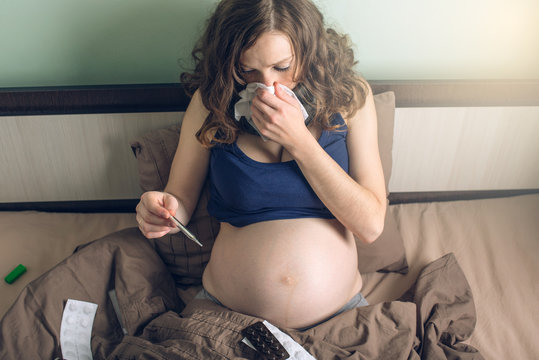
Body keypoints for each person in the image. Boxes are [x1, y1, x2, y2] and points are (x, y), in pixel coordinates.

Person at [136, 0, 386, 330]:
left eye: (282, 67)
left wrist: (299, 141)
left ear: (309, 52)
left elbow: (370, 225)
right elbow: (180, 199)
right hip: (224, 316)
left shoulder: (351, 97)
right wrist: (161, 210)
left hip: (340, 318)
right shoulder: (209, 101)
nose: (267, 86)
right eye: (248, 71)